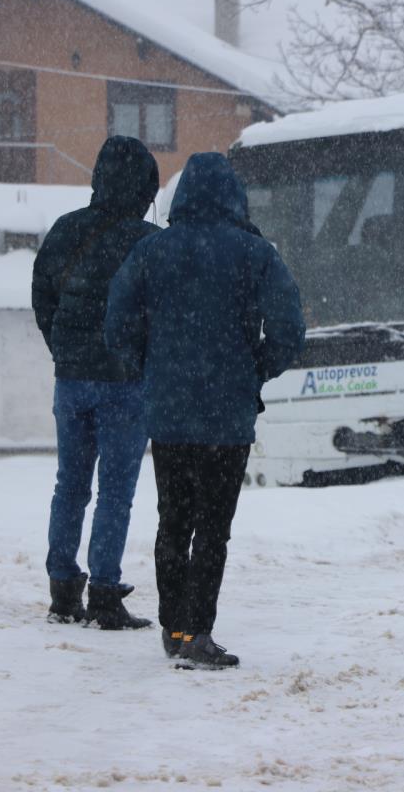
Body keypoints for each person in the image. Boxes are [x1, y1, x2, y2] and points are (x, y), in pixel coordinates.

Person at [105, 152, 305, 669]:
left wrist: (149, 365)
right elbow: (289, 330)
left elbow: (118, 325)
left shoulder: (151, 252)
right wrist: (256, 368)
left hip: (169, 414)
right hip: (228, 417)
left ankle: (173, 627)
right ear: (234, 197)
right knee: (213, 527)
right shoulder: (256, 253)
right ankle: (199, 633)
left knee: (172, 520)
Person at [32, 135, 160, 631]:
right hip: (126, 383)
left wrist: (64, 350)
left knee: (70, 485)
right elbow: (160, 313)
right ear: (145, 187)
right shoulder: (146, 241)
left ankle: (63, 591)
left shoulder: (66, 230)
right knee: (115, 492)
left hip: (72, 381)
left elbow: (43, 296)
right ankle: (105, 595)